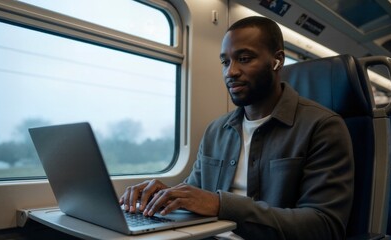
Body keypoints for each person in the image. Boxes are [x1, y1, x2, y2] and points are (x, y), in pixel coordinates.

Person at [119, 16, 354, 240]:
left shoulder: (322, 127)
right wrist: (159, 197)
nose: (230, 72)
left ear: (277, 60)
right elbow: (194, 195)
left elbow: (325, 227)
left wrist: (222, 205)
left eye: (244, 58)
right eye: (225, 61)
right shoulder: (216, 131)